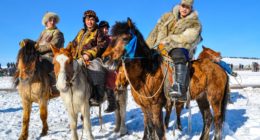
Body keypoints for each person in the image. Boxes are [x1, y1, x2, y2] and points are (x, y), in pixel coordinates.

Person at [146, 0, 202, 101]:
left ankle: (179, 87)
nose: (184, 9)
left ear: (191, 9)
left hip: (183, 47)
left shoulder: (195, 23)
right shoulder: (167, 17)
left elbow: (187, 38)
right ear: (180, 6)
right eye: (183, 6)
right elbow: (154, 32)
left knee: (177, 52)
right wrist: (147, 47)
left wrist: (167, 42)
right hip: (161, 47)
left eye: (187, 7)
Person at [69, 10, 116, 112]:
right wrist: (67, 52)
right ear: (84, 21)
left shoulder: (98, 31)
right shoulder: (81, 32)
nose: (89, 21)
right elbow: (73, 44)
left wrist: (88, 54)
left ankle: (97, 97)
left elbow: (101, 45)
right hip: (77, 58)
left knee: (97, 69)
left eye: (92, 19)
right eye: (87, 19)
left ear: (95, 21)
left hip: (93, 58)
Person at [18, 12, 64, 91]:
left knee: (43, 65)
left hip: (51, 56)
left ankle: (51, 87)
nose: (52, 22)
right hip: (40, 55)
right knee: (25, 60)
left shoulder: (58, 33)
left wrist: (38, 49)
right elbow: (37, 43)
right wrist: (28, 41)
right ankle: (23, 81)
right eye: (50, 20)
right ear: (46, 22)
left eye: (54, 20)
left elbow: (53, 45)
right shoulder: (43, 32)